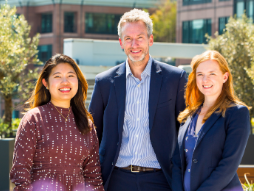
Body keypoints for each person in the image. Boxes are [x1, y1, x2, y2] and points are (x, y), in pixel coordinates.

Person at [89, 9, 187, 191]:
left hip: (161, 179)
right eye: (128, 38)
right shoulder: (104, 82)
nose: (134, 44)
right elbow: (93, 135)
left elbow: (185, 133)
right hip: (116, 179)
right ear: (121, 42)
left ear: (150, 39)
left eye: (140, 37)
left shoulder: (175, 79)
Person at [10, 54, 104, 191]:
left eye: (71, 76)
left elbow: (93, 176)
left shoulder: (86, 124)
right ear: (45, 83)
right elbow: (20, 171)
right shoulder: (34, 119)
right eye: (57, 76)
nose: (65, 82)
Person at [172, 50, 251, 191]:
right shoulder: (188, 115)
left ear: (225, 76)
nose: (205, 80)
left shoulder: (237, 113)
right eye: (200, 74)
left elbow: (228, 165)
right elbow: (178, 163)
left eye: (212, 74)